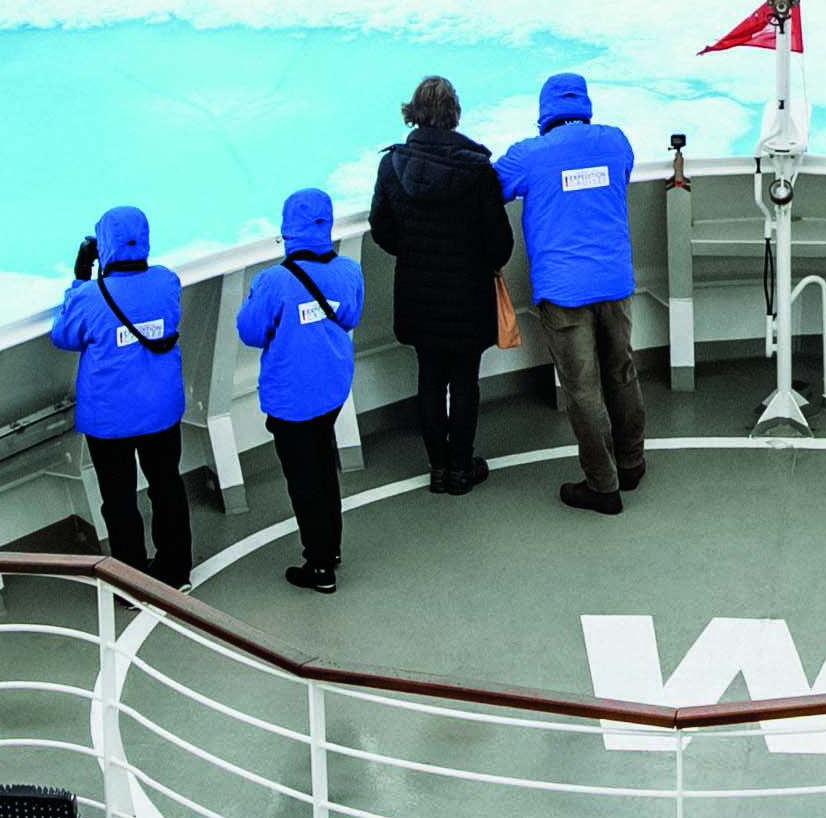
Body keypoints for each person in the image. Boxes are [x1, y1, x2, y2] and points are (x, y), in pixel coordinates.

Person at [502, 67, 649, 513]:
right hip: (614, 282)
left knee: (582, 390)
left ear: (546, 111)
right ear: (584, 106)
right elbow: (620, 174)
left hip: (564, 292)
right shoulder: (615, 140)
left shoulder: (529, 155)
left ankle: (602, 485)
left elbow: (492, 186)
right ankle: (632, 462)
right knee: (621, 372)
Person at [367, 73, 513, 495]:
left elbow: (382, 230)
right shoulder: (478, 169)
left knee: (429, 377)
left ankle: (438, 467)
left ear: (413, 113)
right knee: (465, 380)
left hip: (417, 293)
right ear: (454, 114)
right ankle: (462, 467)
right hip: (468, 296)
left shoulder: (392, 165)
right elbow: (498, 244)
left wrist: (415, 255)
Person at [51, 201, 195, 585]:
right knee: (167, 487)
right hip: (161, 411)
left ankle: (132, 580)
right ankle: (177, 570)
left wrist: (82, 276)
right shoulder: (166, 281)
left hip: (110, 418)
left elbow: (63, 335)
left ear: (104, 245)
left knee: (119, 500)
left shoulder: (91, 297)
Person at [234, 184, 367, 592]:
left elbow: (251, 332)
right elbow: (352, 317)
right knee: (325, 466)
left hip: (291, 395)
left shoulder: (273, 281)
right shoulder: (348, 271)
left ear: (287, 228)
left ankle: (320, 565)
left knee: (304, 479)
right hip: (332, 386)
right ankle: (333, 545)